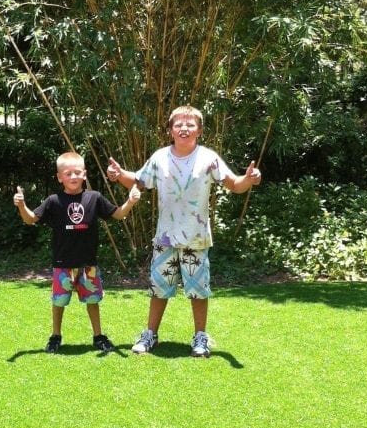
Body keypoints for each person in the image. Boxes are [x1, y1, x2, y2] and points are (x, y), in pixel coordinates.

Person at [106, 105, 261, 358]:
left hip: (196, 239)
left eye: (190, 124)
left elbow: (234, 184)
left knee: (198, 292)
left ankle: (201, 337)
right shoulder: (159, 157)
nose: (184, 128)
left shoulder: (208, 158)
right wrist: (119, 174)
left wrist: (250, 179)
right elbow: (139, 182)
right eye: (178, 124)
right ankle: (150, 334)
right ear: (170, 130)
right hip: (165, 238)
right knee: (159, 289)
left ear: (199, 130)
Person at [14, 151, 140, 354]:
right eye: (68, 173)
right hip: (62, 264)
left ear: (85, 174)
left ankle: (98, 336)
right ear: (59, 177)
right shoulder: (53, 201)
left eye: (77, 172)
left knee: (93, 301)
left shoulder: (94, 197)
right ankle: (55, 336)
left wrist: (131, 202)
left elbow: (118, 214)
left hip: (88, 264)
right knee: (59, 302)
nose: (73, 177)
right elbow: (30, 219)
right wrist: (21, 205)